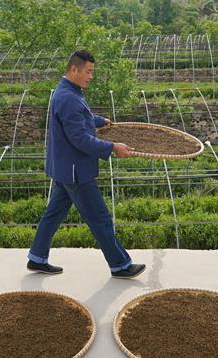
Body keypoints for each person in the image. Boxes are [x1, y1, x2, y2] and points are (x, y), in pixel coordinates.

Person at [26, 49, 146, 279]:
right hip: (76, 172)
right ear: (74, 69)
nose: (91, 76)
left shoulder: (66, 91)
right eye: (88, 71)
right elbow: (79, 138)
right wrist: (112, 147)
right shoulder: (69, 97)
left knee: (53, 214)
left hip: (63, 168)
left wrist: (100, 121)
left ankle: (36, 258)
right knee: (100, 218)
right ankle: (120, 265)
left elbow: (79, 120)